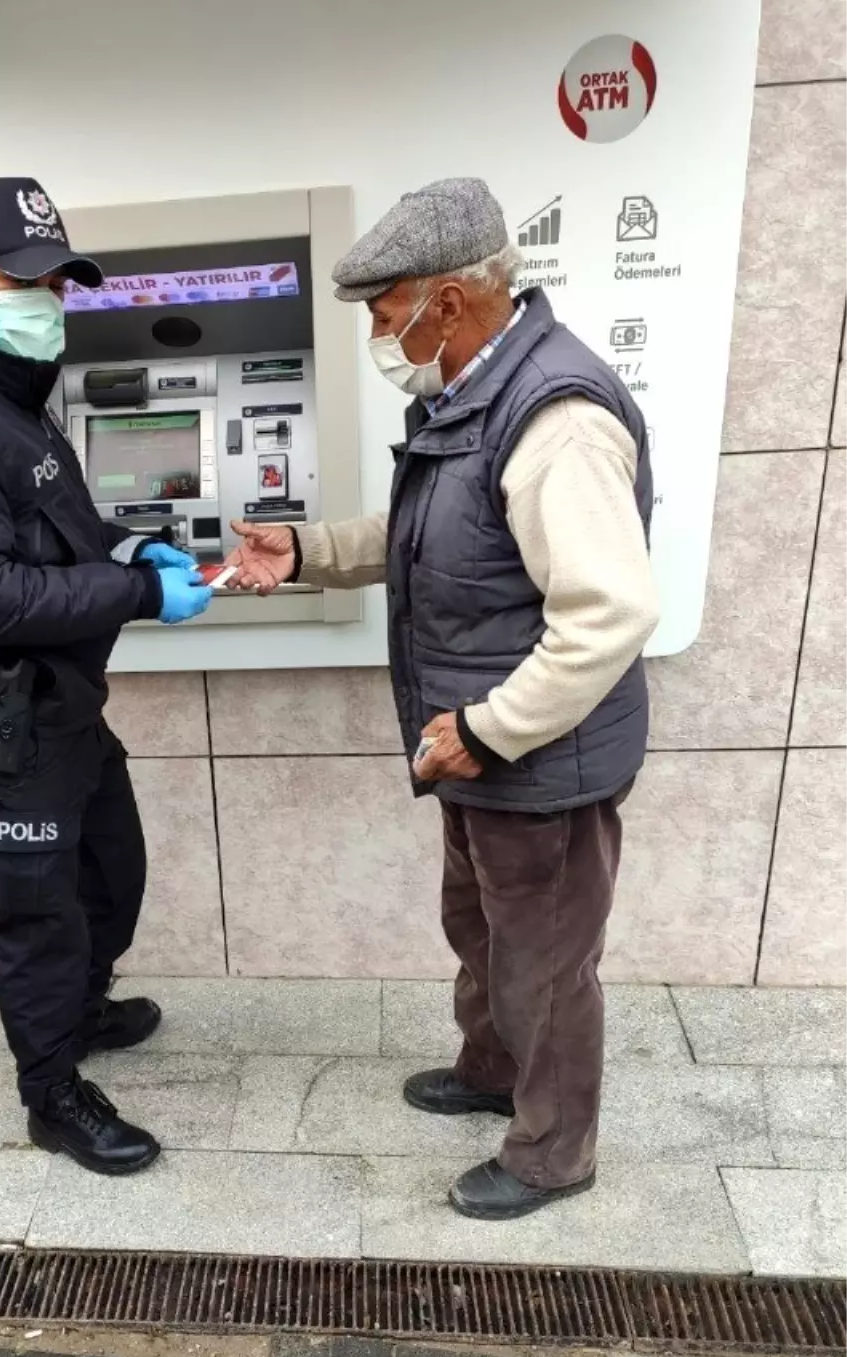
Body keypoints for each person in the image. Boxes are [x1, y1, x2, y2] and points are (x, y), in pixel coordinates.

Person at [229, 178, 659, 1221]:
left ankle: (554, 1152)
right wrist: (304, 554)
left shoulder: (554, 420)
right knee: (480, 926)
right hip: (475, 750)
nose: (383, 337)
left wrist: (485, 729)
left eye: (386, 314)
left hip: (534, 758)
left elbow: (610, 613)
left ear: (448, 303)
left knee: (546, 962)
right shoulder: (466, 398)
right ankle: (491, 1071)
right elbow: (426, 539)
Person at [0, 177, 212, 1176]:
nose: (44, 297)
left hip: (61, 705)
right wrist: (136, 597)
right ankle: (51, 1095)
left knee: (114, 869)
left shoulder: (7, 389)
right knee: (41, 915)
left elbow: (56, 529)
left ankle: (81, 1009)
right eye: (21, 279)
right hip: (0, 716)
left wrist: (130, 548)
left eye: (56, 278)